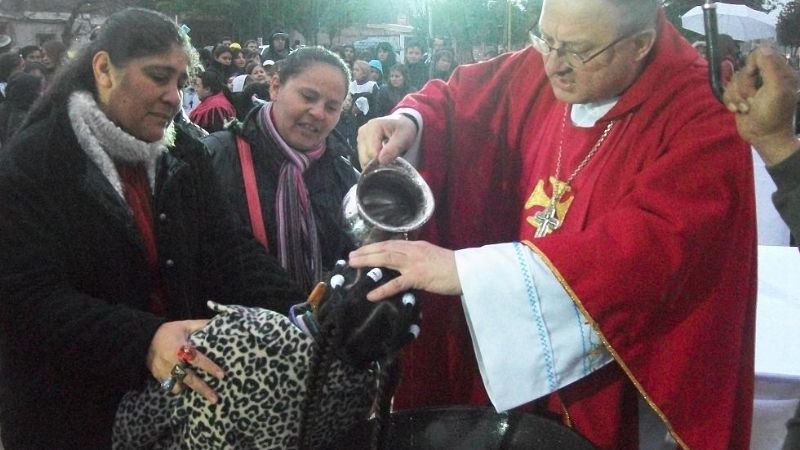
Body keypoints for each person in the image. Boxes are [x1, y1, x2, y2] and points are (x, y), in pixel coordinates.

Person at [350, 0, 757, 449]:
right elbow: (458, 100)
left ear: (640, 44)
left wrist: (466, 272)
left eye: (577, 51)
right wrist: (410, 122)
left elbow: (656, 247)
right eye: (545, 39)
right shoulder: (547, 63)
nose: (553, 65)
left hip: (609, 375)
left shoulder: (702, 112)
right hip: (501, 348)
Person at [0, 8, 305, 449]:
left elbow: (229, 250)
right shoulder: (33, 162)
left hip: (177, 412)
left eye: (180, 83)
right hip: (71, 418)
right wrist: (144, 339)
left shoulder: (183, 153)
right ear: (103, 68)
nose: (173, 97)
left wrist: (303, 314)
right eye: (158, 77)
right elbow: (25, 300)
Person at [203, 46, 359, 293]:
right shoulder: (214, 158)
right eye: (308, 97)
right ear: (275, 87)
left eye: (332, 107)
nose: (318, 113)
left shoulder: (345, 177)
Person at [189, 69, 236, 133]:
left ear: (207, 89)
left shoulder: (216, 107)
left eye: (198, 86)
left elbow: (218, 134)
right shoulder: (214, 101)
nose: (196, 89)